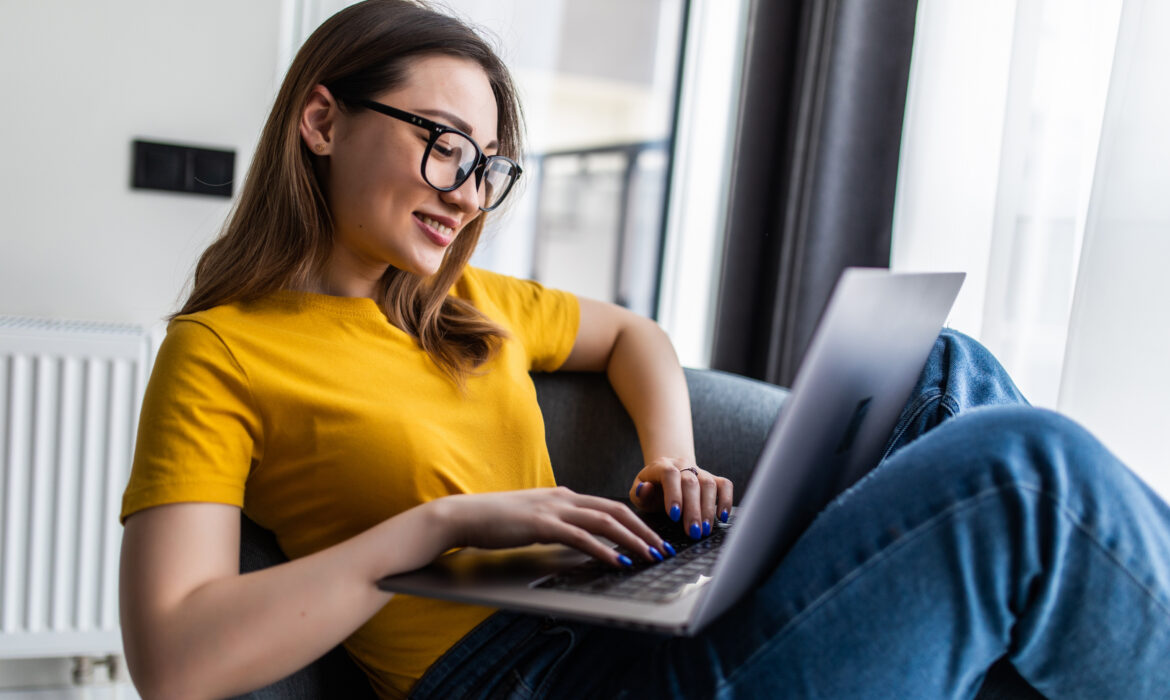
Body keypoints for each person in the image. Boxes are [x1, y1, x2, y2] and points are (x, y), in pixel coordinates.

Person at [118, 1, 1170, 698]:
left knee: (949, 373)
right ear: (321, 120)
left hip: (635, 625)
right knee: (1024, 474)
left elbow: (633, 335)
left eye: (487, 166)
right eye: (443, 143)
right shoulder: (221, 351)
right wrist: (434, 526)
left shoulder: (466, 304)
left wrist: (668, 456)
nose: (465, 188)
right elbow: (173, 655)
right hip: (540, 683)